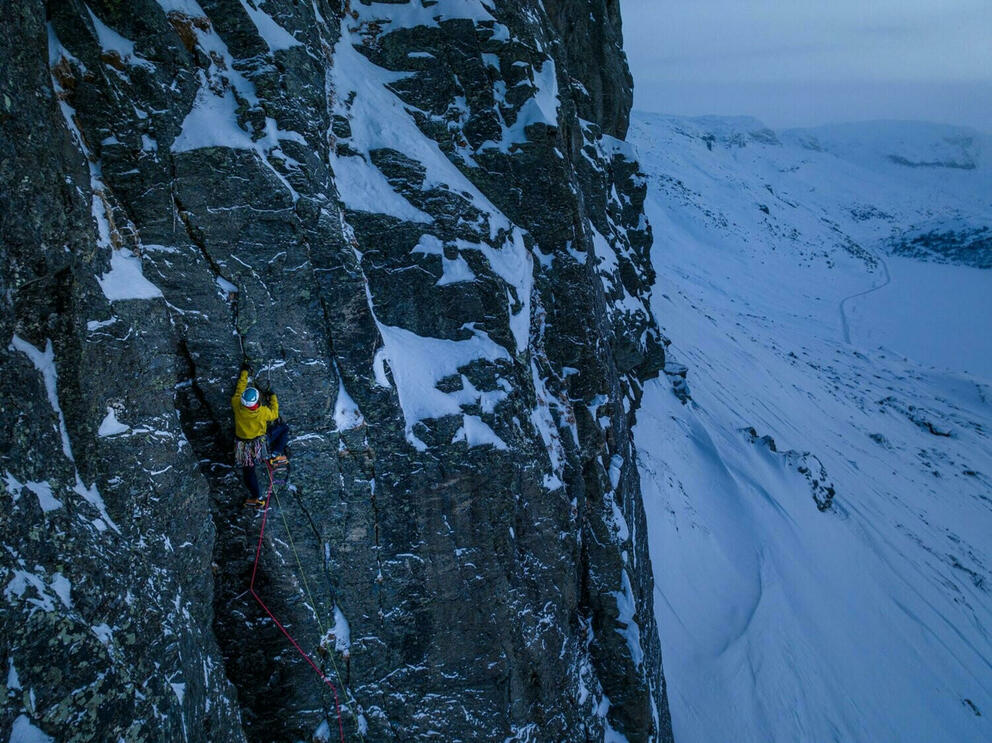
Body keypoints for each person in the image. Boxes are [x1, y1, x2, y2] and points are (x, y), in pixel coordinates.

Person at [232, 361, 289, 503]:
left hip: (242, 445)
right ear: (257, 401)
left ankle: (257, 497)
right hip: (260, 442)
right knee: (284, 428)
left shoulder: (236, 403)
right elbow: (275, 414)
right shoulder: (262, 412)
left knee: (248, 472)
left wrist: (244, 372)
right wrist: (273, 398)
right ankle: (275, 454)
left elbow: (239, 390)